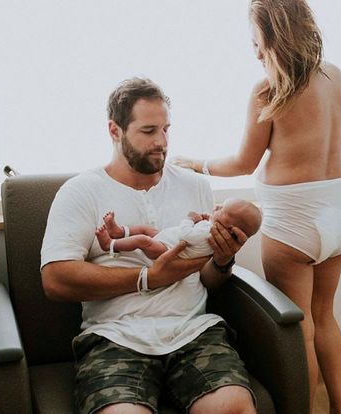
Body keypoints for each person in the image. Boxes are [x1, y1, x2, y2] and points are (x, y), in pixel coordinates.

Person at [172, 1, 341, 412]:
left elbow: (243, 162)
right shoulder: (337, 76)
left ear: (278, 36)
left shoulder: (268, 88)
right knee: (326, 315)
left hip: (296, 221)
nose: (255, 52)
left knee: (302, 329)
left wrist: (194, 162)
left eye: (259, 42)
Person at [40, 77, 256, 414]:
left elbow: (207, 278)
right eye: (149, 131)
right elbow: (55, 279)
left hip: (192, 331)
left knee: (234, 407)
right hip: (115, 338)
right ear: (115, 130)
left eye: (167, 129)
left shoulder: (196, 186)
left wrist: (223, 261)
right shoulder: (81, 192)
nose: (162, 142)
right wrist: (149, 277)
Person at [94, 198, 262, 261]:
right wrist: (206, 219)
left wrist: (190, 219)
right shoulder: (212, 228)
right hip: (166, 239)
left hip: (166, 251)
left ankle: (110, 243)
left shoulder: (208, 232)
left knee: (143, 240)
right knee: (146, 229)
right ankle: (119, 232)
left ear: (230, 228)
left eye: (222, 209)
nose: (216, 207)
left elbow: (186, 235)